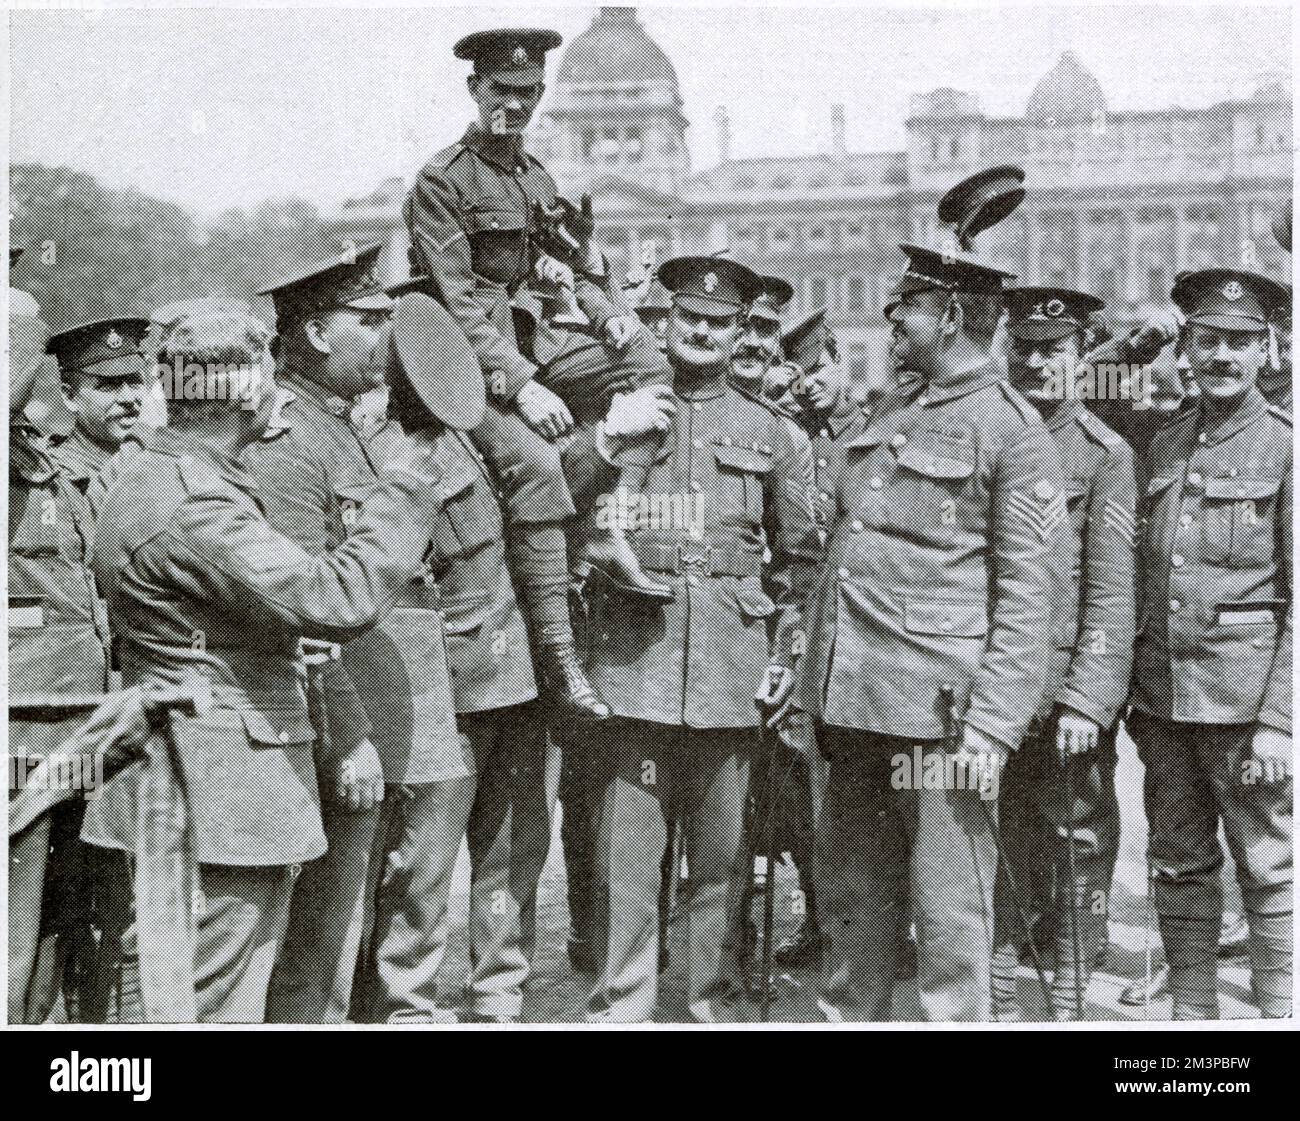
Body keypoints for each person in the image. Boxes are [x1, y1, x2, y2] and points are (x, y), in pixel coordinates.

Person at [81, 309, 447, 1021]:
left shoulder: (183, 479)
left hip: (210, 789)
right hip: (213, 799)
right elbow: (335, 597)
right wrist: (402, 486)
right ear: (245, 391)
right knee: (203, 1006)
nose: (281, 397)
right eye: (272, 378)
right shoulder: (192, 503)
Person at [803, 243, 1065, 1021]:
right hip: (851, 706)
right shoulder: (895, 409)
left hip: (942, 725)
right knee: (850, 903)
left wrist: (991, 726)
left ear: (951, 316)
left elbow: (1029, 594)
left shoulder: (1015, 431)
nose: (890, 322)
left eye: (904, 308)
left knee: (951, 917)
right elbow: (846, 550)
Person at [579, 256, 820, 1022]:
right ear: (668, 320)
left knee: (722, 865)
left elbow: (803, 563)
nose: (705, 332)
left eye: (722, 323)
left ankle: (710, 1005)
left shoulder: (771, 432)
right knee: (627, 860)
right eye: (691, 319)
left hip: (730, 669)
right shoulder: (623, 408)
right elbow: (563, 501)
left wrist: (786, 654)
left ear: (741, 330)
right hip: (636, 665)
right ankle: (623, 1005)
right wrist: (605, 446)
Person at [235, 246, 463, 1024]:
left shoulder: (354, 429)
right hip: (342, 721)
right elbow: (304, 612)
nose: (387, 336)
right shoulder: (290, 442)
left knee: (373, 912)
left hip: (387, 707)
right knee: (321, 938)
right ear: (318, 334)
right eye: (369, 321)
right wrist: (347, 736)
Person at [405, 25, 679, 633]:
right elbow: (456, 303)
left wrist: (608, 311)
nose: (516, 105)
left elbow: (567, 263)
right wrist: (523, 385)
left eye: (530, 91)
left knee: (653, 369)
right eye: (502, 89)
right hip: (463, 362)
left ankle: (604, 527)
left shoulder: (535, 177)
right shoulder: (440, 181)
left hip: (534, 340)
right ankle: (556, 650)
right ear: (475, 89)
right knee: (536, 460)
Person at [1128, 268, 1291, 1020]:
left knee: (1267, 867)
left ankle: (1280, 1012)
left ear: (1267, 350)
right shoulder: (1162, 444)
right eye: (1207, 340)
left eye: (1240, 341)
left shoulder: (1286, 448)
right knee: (1180, 865)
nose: (1222, 355)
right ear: (1184, 348)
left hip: (1247, 708)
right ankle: (1192, 1021)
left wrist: (1282, 720)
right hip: (1165, 708)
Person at [991, 286, 1136, 1020]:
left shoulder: (1105, 455)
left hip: (1064, 687)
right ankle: (995, 978)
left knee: (1077, 831)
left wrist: (1088, 697)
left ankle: (1074, 975)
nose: (1036, 361)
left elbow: (1111, 592)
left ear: (1083, 356)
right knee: (988, 828)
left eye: (1053, 348)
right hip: (991, 684)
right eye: (1024, 346)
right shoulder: (990, 432)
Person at [8, 289, 113, 1024]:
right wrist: (20, 314)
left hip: (81, 719)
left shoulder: (34, 454)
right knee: (12, 927)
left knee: (66, 922)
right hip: (20, 731)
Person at [46, 317, 150, 517]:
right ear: (69, 396)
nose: (128, 398)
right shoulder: (57, 479)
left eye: (134, 381)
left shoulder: (157, 460)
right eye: (108, 385)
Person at [731, 274, 794, 397]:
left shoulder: (782, 412)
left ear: (777, 341)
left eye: (765, 329)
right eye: (741, 326)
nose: (752, 343)